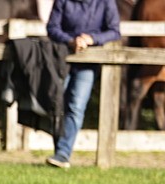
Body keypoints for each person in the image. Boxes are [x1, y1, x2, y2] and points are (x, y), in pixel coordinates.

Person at [45, 0, 121, 168]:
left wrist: (92, 39)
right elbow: (52, 28)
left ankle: (63, 153)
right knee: (57, 104)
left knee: (76, 105)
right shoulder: (63, 1)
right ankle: (60, 151)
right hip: (61, 59)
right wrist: (71, 40)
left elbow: (114, 31)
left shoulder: (105, 3)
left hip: (88, 63)